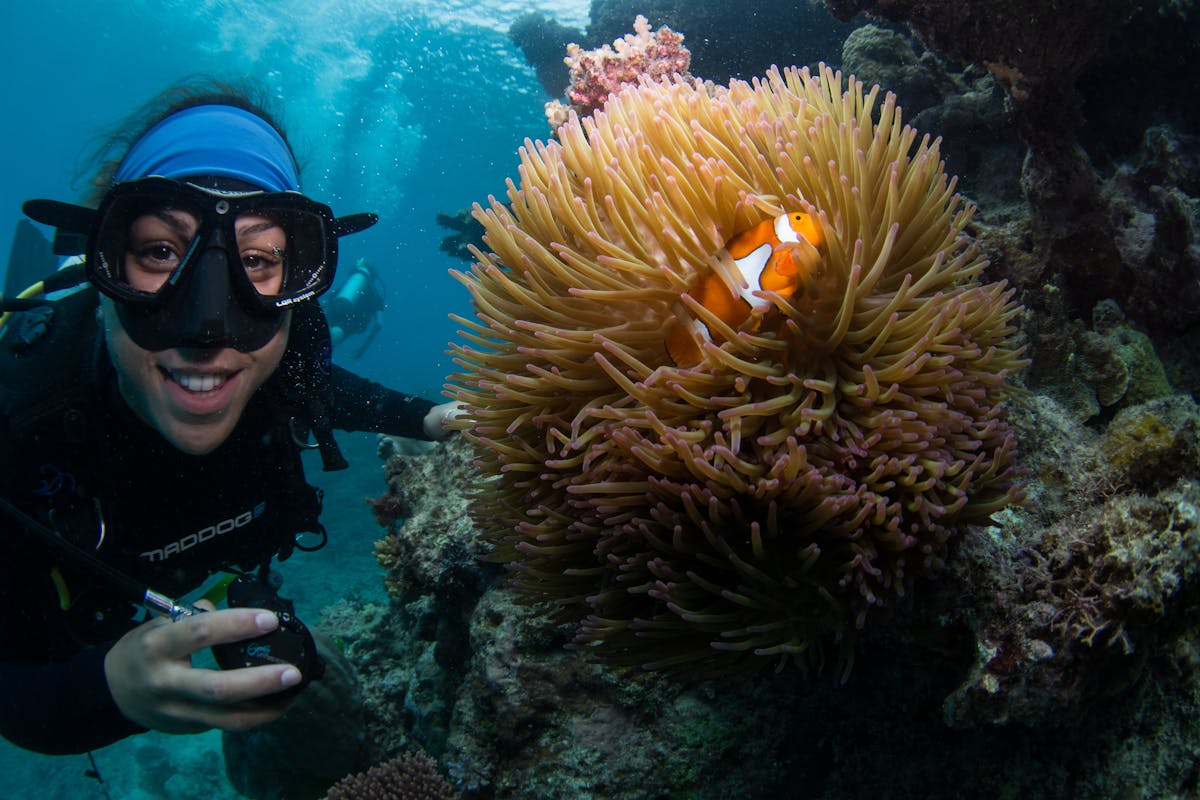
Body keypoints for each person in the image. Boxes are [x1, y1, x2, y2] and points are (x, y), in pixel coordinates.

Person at [0, 81, 461, 755]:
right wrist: (111, 691)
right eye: (159, 251)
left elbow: (332, 391)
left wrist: (432, 417)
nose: (210, 328)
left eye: (257, 260)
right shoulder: (19, 421)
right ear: (104, 266)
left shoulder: (286, 372)